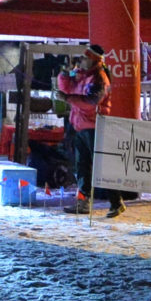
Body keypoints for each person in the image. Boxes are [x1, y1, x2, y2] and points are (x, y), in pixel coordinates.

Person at [55, 46, 114, 216]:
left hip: (93, 126)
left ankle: (114, 201)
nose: (81, 61)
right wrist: (64, 74)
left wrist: (67, 99)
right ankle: (83, 201)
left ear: (93, 60)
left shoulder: (98, 78)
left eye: (84, 58)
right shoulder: (84, 75)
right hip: (82, 126)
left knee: (93, 167)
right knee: (82, 167)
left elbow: (91, 102)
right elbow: (69, 89)